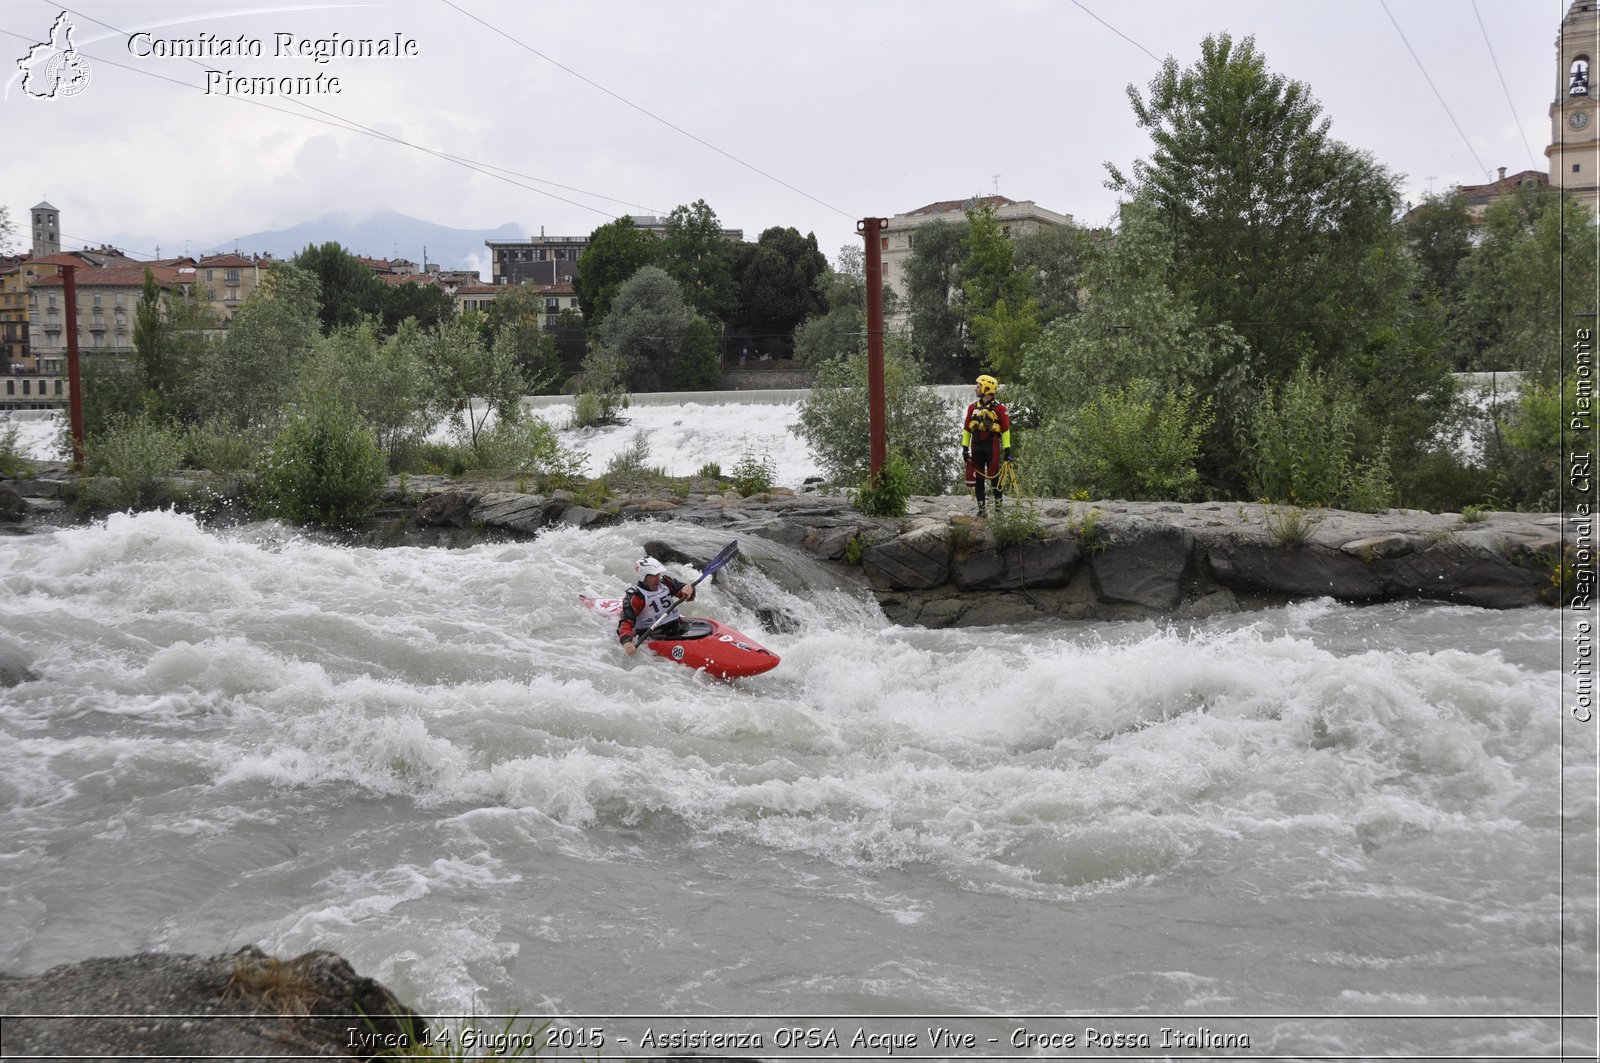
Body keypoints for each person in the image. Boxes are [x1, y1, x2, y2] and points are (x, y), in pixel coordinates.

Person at [617, 556, 697, 655]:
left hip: (678, 626)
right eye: (654, 576)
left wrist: (688, 591)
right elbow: (626, 622)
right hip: (655, 634)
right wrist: (626, 642)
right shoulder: (636, 597)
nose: (658, 579)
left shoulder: (666, 582)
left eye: (658, 574)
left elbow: (686, 595)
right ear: (643, 577)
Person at [961, 373, 1012, 516]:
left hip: (992, 446)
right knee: (979, 479)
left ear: (987, 388)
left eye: (978, 386)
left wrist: (1008, 451)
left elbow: (1006, 431)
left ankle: (998, 509)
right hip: (976, 447)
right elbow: (966, 430)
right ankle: (982, 510)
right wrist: (965, 449)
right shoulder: (972, 408)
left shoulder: (1000, 409)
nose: (976, 389)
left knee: (994, 476)